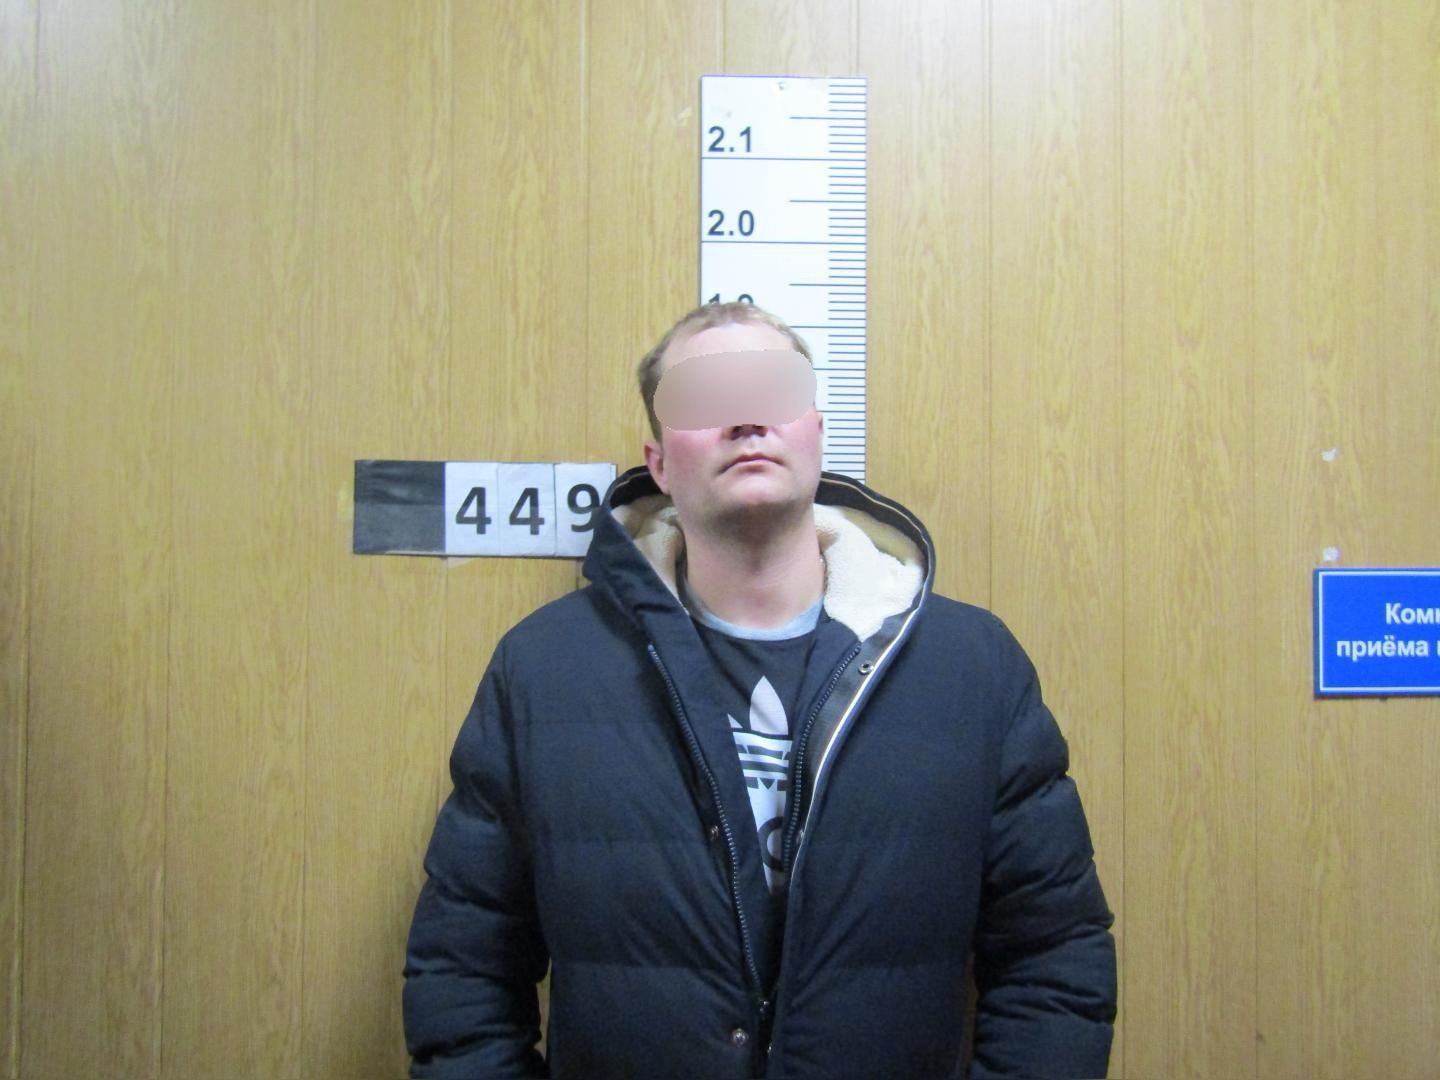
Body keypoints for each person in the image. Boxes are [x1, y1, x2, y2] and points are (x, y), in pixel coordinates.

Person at [402, 302, 1117, 1078]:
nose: (746, 418)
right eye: (705, 398)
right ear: (659, 463)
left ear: (815, 431)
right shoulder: (544, 671)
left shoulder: (972, 667)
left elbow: (1054, 957)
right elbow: (464, 970)